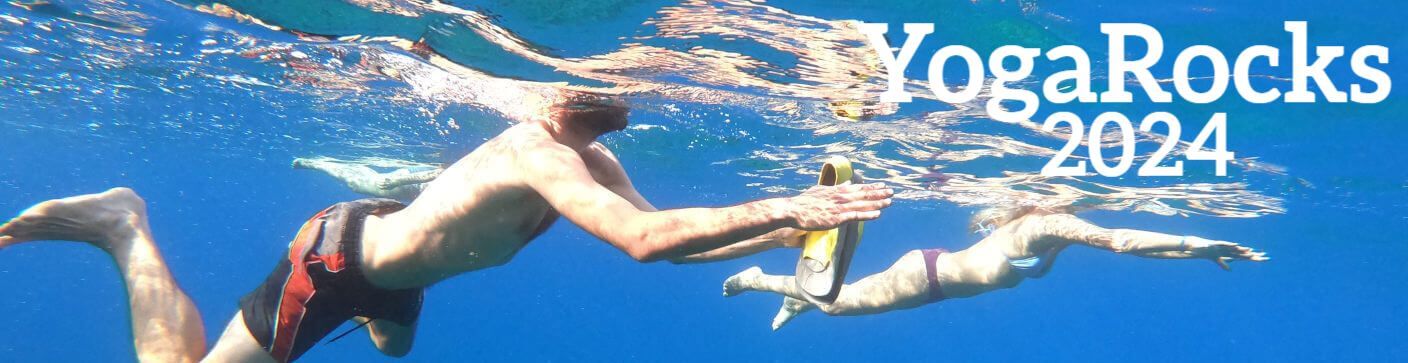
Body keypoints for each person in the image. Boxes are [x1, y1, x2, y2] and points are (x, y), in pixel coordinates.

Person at [0, 93, 894, 362]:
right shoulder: (538, 152)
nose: (608, 115)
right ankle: (122, 225)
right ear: (559, 104)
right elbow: (644, 242)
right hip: (339, 260)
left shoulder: (588, 158)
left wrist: (777, 237)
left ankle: (387, 298)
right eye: (596, 103)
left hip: (391, 255)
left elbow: (672, 232)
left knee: (393, 349)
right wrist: (790, 205)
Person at [720, 206, 1269, 330]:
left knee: (837, 301)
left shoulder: (1057, 233)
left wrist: (1197, 250)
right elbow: (1124, 241)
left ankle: (795, 294)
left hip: (936, 280)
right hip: (928, 278)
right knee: (835, 305)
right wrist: (1199, 243)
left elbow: (1123, 241)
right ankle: (763, 281)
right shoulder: (1040, 227)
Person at [291, 157, 442, 200]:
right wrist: (399, 181)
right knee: (356, 184)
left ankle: (359, 169)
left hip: (416, 193)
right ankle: (318, 164)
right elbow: (439, 173)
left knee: (365, 181)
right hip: (412, 183)